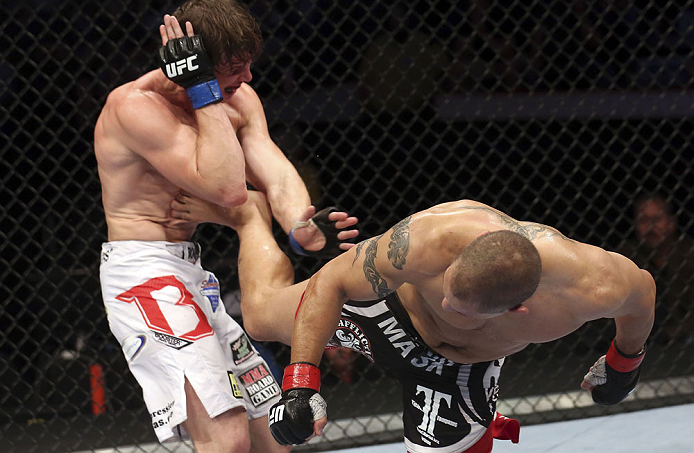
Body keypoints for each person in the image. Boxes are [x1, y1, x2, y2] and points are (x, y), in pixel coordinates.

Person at [170, 192, 655, 453]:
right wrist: (300, 383)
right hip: (385, 314)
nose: (445, 304)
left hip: (457, 372)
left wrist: (624, 362)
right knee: (257, 316)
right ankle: (249, 217)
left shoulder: (595, 285)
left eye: (459, 308)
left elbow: (643, 297)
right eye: (446, 290)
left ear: (515, 311)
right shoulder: (428, 241)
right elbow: (330, 283)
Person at [94, 0, 357, 451]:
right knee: (227, 437)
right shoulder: (134, 107)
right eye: (235, 66)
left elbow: (272, 171)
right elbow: (229, 189)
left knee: (274, 439)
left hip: (192, 274)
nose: (248, 77)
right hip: (144, 275)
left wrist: (301, 226)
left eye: (249, 64)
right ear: (195, 64)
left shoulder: (239, 98)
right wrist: (201, 89)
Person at [618, 193, 694, 344]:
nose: (650, 227)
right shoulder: (626, 255)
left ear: (671, 223)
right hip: (637, 335)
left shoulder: (689, 253)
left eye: (657, 219)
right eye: (643, 220)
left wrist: (677, 330)